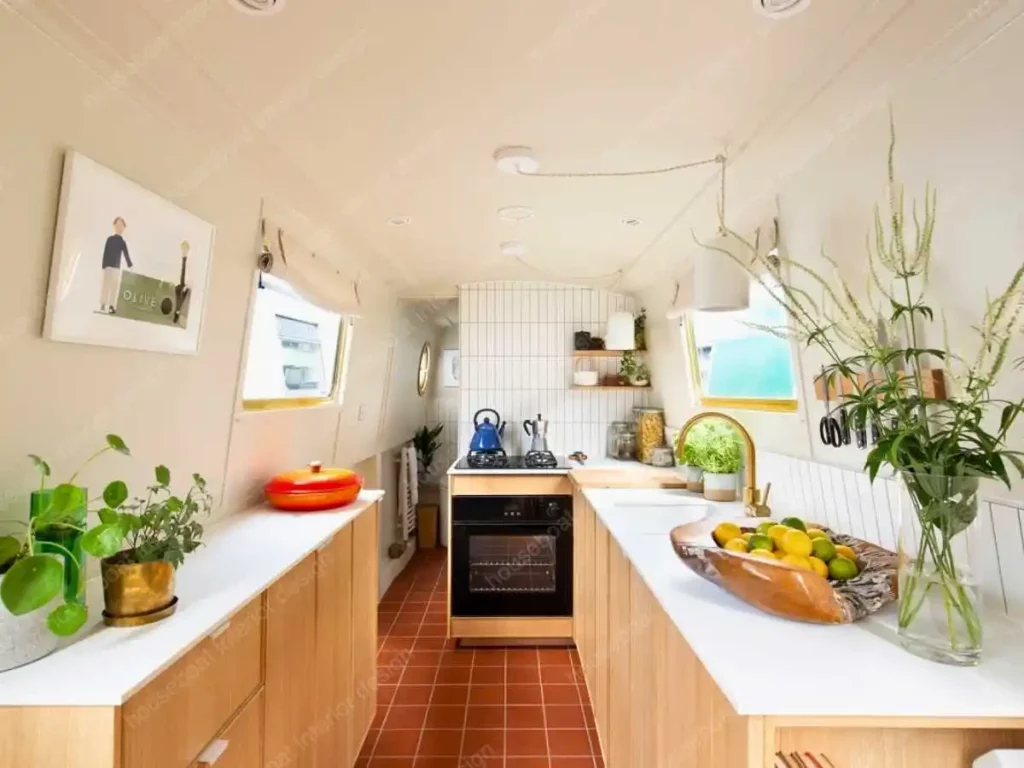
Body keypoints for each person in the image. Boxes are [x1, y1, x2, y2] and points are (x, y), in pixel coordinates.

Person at [99, 217, 133, 314]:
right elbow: (105, 252)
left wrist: (130, 265)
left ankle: (111, 305)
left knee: (114, 286)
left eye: (121, 226)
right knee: (106, 285)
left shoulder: (122, 242)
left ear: (123, 228)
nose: (119, 227)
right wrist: (104, 265)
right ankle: (103, 303)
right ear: (114, 226)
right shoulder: (109, 239)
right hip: (108, 266)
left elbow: (126, 254)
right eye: (117, 225)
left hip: (116, 267)